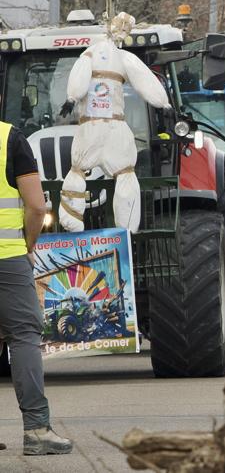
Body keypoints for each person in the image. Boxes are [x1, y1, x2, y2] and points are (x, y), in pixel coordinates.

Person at [0, 120, 73, 455]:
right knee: (24, 335)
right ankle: (37, 430)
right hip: (7, 257)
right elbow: (36, 206)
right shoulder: (8, 138)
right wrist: (28, 245)